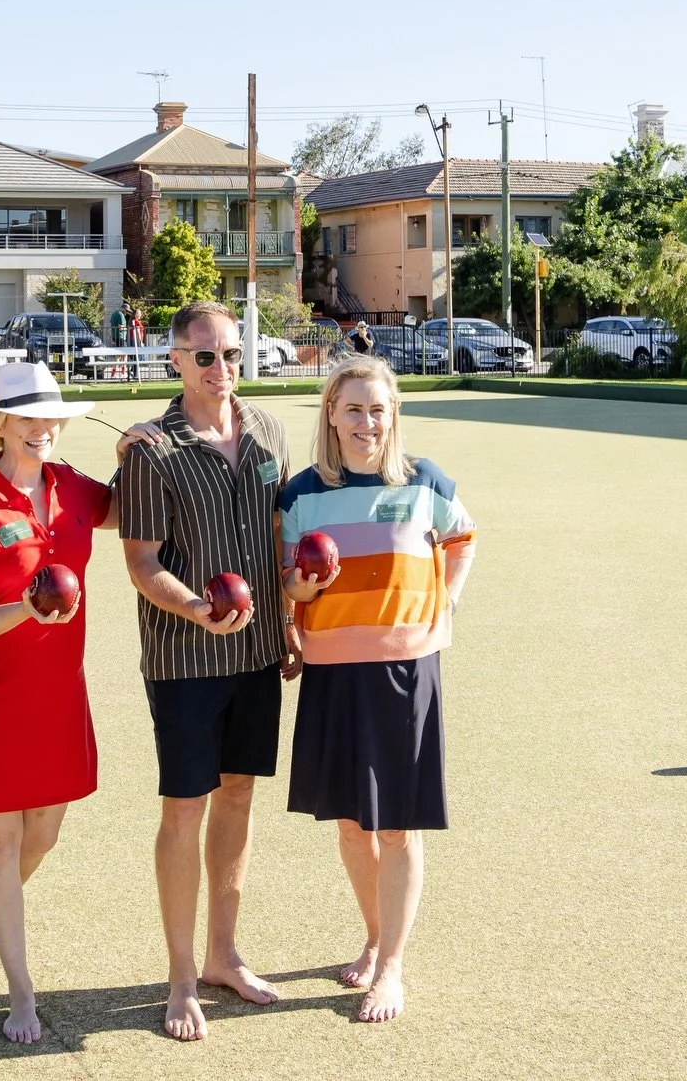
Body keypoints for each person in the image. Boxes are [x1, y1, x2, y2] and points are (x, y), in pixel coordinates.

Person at [118, 299, 297, 1042]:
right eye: (204, 357)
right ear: (175, 361)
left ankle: (225, 954)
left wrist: (285, 624)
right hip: (186, 658)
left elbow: (282, 537)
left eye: (230, 353)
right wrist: (196, 608)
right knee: (184, 811)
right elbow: (141, 562)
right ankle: (182, 974)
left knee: (240, 798)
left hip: (257, 655)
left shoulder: (267, 430)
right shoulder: (151, 449)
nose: (221, 369)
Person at [278, 356, 476, 1024]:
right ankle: (373, 933)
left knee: (395, 826)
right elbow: (288, 580)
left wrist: (443, 603)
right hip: (333, 671)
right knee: (350, 823)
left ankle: (391, 965)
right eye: (354, 409)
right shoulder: (300, 493)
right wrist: (297, 596)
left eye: (378, 410)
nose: (367, 422)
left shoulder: (425, 481)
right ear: (330, 412)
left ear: (394, 416)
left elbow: (464, 538)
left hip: (404, 671)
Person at [0, 361, 119, 1044]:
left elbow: (136, 507)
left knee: (41, 832)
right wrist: (30, 607)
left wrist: (147, 452)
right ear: (2, 426)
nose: (44, 429)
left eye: (53, 418)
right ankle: (20, 990)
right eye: (30, 419)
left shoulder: (74, 489)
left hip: (57, 691)